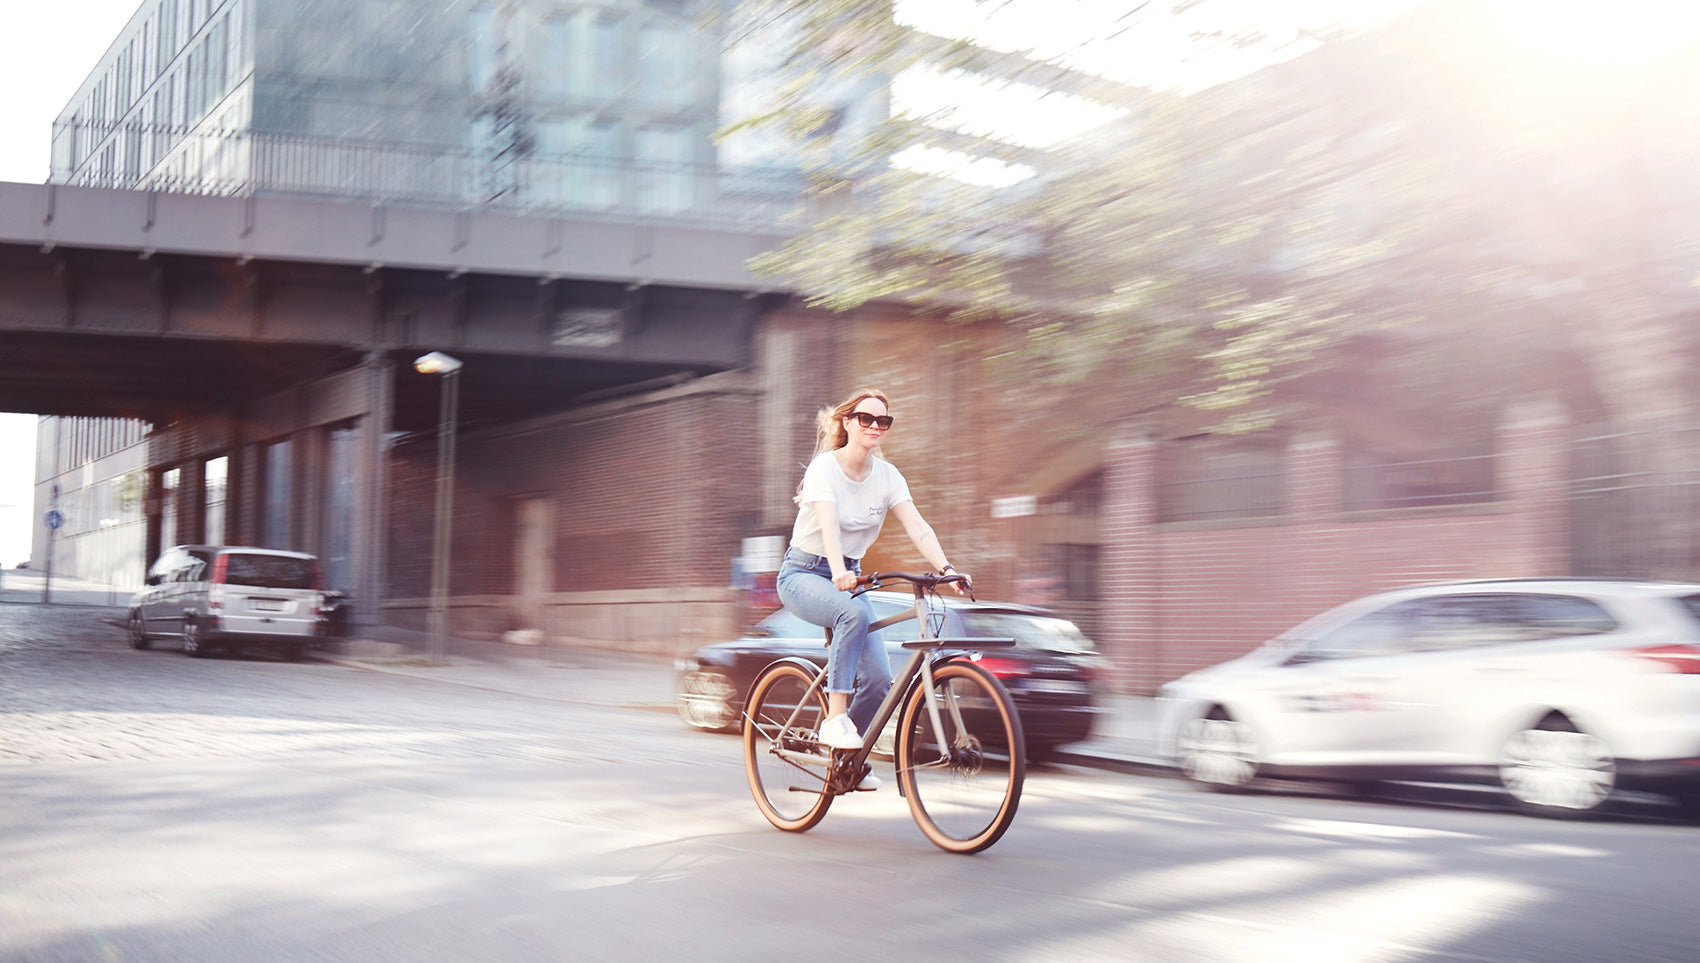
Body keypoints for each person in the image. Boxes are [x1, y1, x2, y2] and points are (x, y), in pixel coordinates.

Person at [775, 387, 970, 791]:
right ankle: (835, 719)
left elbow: (918, 526)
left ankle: (845, 764)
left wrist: (947, 568)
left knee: (881, 681)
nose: (876, 426)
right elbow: (829, 526)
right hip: (803, 573)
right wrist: (836, 573)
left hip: (851, 574)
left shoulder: (887, 476)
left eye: (883, 421)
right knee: (854, 612)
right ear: (847, 423)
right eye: (866, 418)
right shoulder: (823, 469)